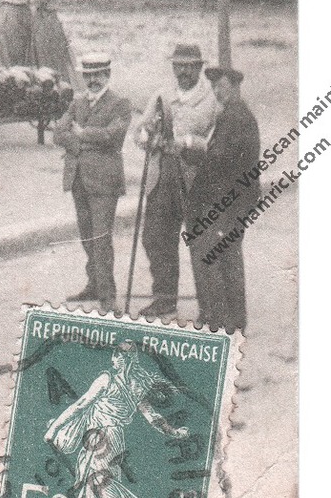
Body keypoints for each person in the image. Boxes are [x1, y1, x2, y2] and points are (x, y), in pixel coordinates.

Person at [44, 341, 188, 498]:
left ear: (124, 359)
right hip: (105, 439)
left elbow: (81, 404)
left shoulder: (106, 379)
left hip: (102, 440)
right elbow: (153, 417)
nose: (112, 360)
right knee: (88, 489)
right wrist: (173, 431)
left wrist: (54, 429)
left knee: (106, 492)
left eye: (116, 356)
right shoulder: (137, 385)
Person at [131, 43, 218, 318]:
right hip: (161, 177)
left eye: (188, 66)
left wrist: (186, 142)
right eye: (177, 66)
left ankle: (209, 304)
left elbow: (217, 143)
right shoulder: (162, 95)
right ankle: (165, 299)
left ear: (200, 67)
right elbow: (141, 130)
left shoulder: (211, 99)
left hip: (195, 179)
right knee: (155, 238)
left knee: (201, 242)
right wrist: (147, 137)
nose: (182, 71)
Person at [53, 53, 133, 309]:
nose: (93, 81)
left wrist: (82, 133)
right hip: (78, 179)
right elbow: (58, 133)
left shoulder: (120, 103)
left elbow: (114, 137)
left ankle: (108, 295)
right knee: (87, 236)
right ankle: (94, 284)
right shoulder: (77, 103)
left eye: (98, 75)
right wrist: (84, 142)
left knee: (101, 238)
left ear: (107, 75)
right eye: (88, 76)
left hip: (104, 182)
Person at [185, 66, 260, 334]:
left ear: (235, 86)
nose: (217, 91)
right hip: (233, 200)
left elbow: (223, 157)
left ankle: (218, 320)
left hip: (225, 201)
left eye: (222, 86)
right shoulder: (234, 114)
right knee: (228, 257)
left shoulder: (235, 117)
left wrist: (193, 145)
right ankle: (233, 320)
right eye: (215, 87)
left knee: (213, 257)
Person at [31, 0, 78, 85]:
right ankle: (45, 82)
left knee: (50, 53)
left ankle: (59, 84)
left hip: (49, 20)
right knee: (40, 52)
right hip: (41, 19)